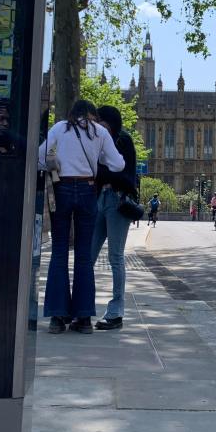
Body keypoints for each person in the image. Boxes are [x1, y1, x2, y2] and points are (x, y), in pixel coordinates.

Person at [38, 99, 125, 334]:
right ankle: (84, 318)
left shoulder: (60, 128)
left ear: (73, 113)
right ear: (92, 114)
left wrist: (57, 162)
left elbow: (40, 157)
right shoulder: (99, 132)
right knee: (84, 255)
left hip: (62, 189)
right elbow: (118, 164)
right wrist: (99, 158)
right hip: (88, 189)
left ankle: (58, 317)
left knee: (59, 252)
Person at [90, 105, 137, 331]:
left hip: (118, 200)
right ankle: (82, 308)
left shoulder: (123, 140)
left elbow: (126, 177)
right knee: (87, 256)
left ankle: (116, 313)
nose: (96, 126)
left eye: (100, 122)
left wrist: (100, 172)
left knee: (115, 257)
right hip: (100, 200)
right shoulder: (97, 140)